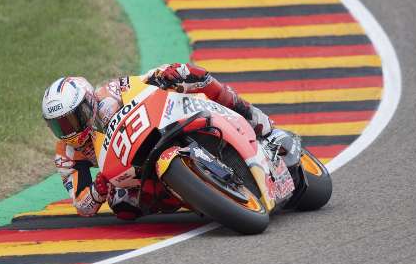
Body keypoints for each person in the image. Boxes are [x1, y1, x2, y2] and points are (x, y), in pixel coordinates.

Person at [41, 63, 298, 219]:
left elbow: (143, 82)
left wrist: (165, 74)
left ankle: (257, 121)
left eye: (73, 119)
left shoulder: (110, 93)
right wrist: (98, 191)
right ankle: (194, 194)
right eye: (59, 125)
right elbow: (83, 206)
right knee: (121, 205)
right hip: (134, 169)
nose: (67, 129)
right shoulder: (67, 153)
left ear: (88, 103)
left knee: (196, 77)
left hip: (162, 123)